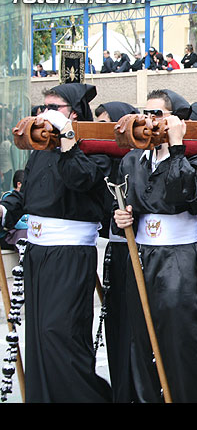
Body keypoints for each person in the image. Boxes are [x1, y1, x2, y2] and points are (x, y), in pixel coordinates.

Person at [0, 82, 113, 403]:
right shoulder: (39, 150)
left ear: (73, 113)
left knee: (60, 334)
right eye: (41, 108)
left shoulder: (95, 146)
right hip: (36, 253)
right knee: (36, 335)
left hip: (69, 253)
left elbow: (82, 179)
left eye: (53, 108)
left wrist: (67, 141)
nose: (42, 115)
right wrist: (5, 207)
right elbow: (25, 196)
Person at [112, 89, 197, 403]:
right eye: (145, 113)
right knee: (142, 336)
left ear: (176, 120)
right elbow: (121, 212)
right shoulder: (132, 160)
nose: (149, 122)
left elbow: (185, 192)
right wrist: (121, 217)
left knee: (183, 338)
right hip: (142, 256)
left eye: (157, 115)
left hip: (179, 261)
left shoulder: (195, 158)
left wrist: (177, 148)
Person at [94, 101, 140, 403]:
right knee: (117, 327)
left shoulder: (136, 159)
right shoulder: (98, 160)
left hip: (141, 253)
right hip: (116, 251)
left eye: (108, 122)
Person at [0, 170, 27, 250]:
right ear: (19, 184)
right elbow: (16, 223)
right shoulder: (9, 197)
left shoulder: (26, 199)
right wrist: (29, 227)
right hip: (8, 235)